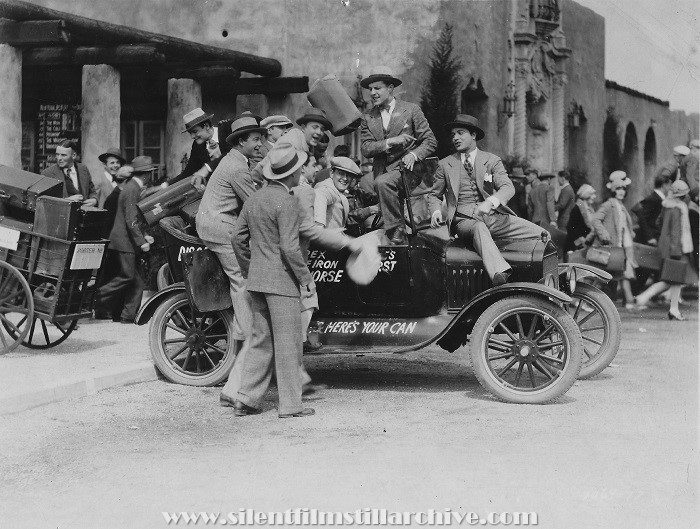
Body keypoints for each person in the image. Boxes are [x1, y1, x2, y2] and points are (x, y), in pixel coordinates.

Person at [231, 145, 315, 418]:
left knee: (260, 341)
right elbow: (290, 248)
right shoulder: (289, 202)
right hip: (282, 284)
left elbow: (237, 238)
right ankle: (290, 406)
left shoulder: (254, 199)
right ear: (291, 175)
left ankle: (245, 399)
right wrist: (306, 278)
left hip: (257, 281)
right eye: (298, 169)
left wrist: (248, 268)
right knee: (289, 344)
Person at [428, 115, 545, 285]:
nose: (455, 138)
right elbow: (434, 195)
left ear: (473, 135)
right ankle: (500, 274)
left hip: (495, 218)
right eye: (453, 135)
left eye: (460, 133)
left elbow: (507, 187)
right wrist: (436, 211)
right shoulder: (445, 164)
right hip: (465, 221)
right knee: (479, 228)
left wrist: (491, 202)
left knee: (542, 234)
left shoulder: (492, 160)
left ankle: (547, 282)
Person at [196, 116, 263, 404]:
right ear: (240, 142)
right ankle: (247, 333)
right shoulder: (237, 167)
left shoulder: (236, 162)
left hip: (216, 222)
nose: (259, 143)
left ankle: (242, 331)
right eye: (255, 139)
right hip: (219, 226)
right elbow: (255, 205)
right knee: (243, 278)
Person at [360, 67, 437, 245]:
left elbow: (430, 141)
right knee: (382, 182)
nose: (372, 93)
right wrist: (390, 142)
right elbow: (366, 148)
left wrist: (414, 155)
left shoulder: (411, 110)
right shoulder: (367, 117)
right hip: (383, 173)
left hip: (409, 172)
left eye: (377, 88)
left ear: (390, 88)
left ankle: (397, 229)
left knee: (382, 183)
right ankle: (398, 238)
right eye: (370, 89)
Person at [94, 156, 155, 323]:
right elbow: (131, 219)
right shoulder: (132, 189)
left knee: (138, 280)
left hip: (126, 241)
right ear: (147, 174)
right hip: (124, 242)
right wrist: (142, 242)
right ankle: (95, 297)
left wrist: (144, 236)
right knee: (128, 276)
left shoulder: (131, 187)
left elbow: (133, 218)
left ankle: (128, 316)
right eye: (151, 173)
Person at [634, 180, 694, 320]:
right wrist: (676, 252)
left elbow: (659, 223)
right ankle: (645, 298)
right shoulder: (679, 208)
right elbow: (676, 233)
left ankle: (672, 308)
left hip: (665, 246)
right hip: (676, 248)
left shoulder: (666, 206)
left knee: (674, 279)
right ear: (682, 195)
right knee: (673, 279)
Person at [590, 171, 638, 309]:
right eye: (618, 189)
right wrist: (604, 234)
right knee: (602, 276)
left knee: (621, 273)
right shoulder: (609, 205)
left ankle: (629, 302)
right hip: (610, 246)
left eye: (623, 189)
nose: (621, 191)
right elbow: (595, 219)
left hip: (619, 246)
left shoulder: (620, 206)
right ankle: (586, 300)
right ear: (613, 191)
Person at [251, 108, 331, 186]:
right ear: (303, 127)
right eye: (315, 127)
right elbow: (261, 175)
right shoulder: (292, 142)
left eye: (322, 129)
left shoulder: (308, 144)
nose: (319, 132)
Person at [169, 108, 222, 188]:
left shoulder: (225, 133)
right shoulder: (197, 145)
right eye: (190, 133)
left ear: (206, 126)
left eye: (195, 131)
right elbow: (188, 172)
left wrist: (207, 168)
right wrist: (163, 186)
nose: (192, 136)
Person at [41, 139, 98, 207]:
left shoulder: (83, 169)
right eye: (57, 154)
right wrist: (66, 201)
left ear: (73, 156)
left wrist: (94, 199)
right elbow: (43, 201)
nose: (59, 158)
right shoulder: (47, 174)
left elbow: (92, 191)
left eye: (63, 155)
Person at [313, 157, 362, 229]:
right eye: (341, 173)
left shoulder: (338, 190)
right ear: (332, 173)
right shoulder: (326, 189)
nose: (345, 178)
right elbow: (318, 228)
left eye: (349, 175)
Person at [632, 173, 672, 246]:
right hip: (649, 239)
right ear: (664, 185)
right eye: (669, 185)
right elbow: (642, 218)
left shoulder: (657, 198)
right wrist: (649, 237)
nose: (670, 188)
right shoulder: (654, 199)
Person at [564, 184, 597, 253]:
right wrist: (580, 242)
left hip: (586, 244)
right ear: (586, 195)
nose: (594, 197)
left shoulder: (590, 209)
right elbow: (570, 228)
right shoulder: (577, 208)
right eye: (592, 194)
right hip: (576, 246)